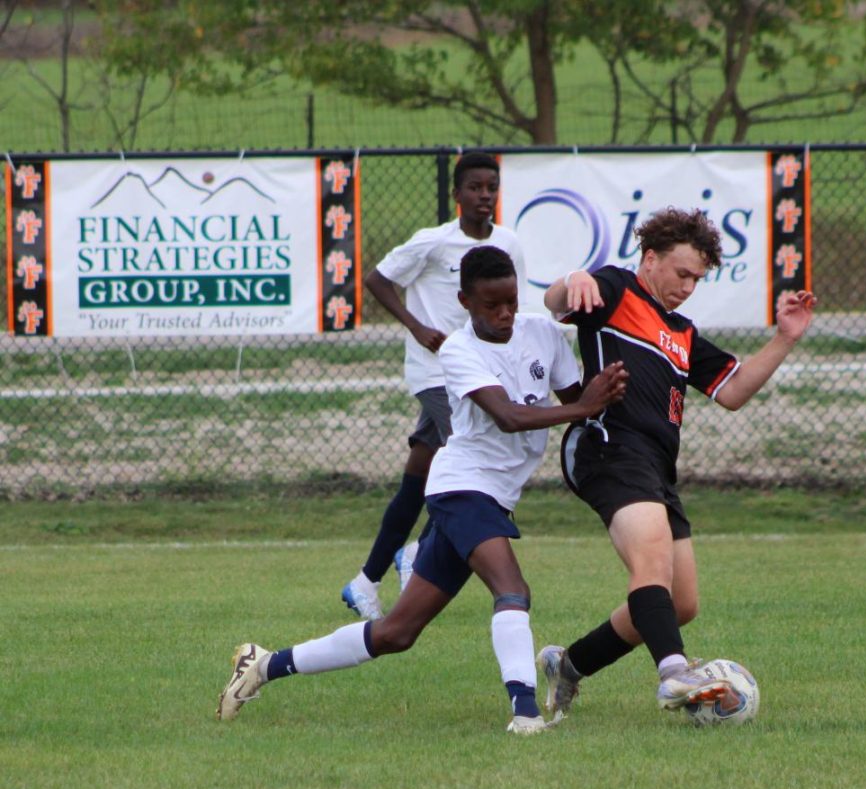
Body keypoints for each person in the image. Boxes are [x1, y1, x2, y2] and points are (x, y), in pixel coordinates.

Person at [218, 247, 628, 735]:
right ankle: (525, 713)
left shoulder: (543, 334)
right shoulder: (458, 349)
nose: (504, 315)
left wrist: (602, 412)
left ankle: (263, 665)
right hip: (461, 490)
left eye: (512, 302)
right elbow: (511, 416)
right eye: (490, 306)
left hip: (494, 498)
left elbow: (577, 401)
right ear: (464, 301)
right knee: (512, 590)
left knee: (396, 633)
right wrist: (582, 408)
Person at [534, 206, 816, 718]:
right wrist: (570, 280)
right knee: (652, 567)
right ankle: (673, 674)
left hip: (656, 467)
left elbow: (732, 392)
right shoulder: (616, 290)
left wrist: (784, 338)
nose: (688, 286)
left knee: (680, 603)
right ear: (650, 259)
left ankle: (569, 665)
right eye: (681, 273)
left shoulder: (682, 333)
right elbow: (557, 302)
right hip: (607, 445)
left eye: (697, 278)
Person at [341, 151, 528, 620]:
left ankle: (365, 580)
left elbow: (511, 310)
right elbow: (376, 280)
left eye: (491, 187)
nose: (484, 196)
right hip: (437, 375)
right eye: (475, 188)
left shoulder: (508, 244)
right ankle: (420, 553)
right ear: (457, 194)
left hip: (477, 377)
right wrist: (415, 325)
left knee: (415, 485)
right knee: (467, 467)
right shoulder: (433, 242)